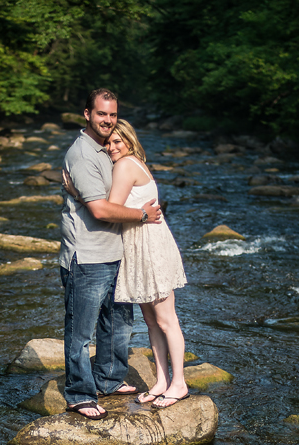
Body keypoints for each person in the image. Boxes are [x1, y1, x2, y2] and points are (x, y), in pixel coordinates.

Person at [65, 119, 189, 408]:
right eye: (109, 143)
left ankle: (179, 383)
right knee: (151, 321)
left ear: (131, 141)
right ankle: (161, 381)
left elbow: (106, 210)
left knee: (167, 320)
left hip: (148, 246)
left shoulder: (125, 165)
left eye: (118, 141)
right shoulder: (130, 163)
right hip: (137, 245)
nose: (111, 147)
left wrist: (75, 191)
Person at [59, 89, 162, 420]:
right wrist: (144, 216)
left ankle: (109, 378)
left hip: (116, 252)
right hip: (87, 256)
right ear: (87, 114)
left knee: (118, 323)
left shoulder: (109, 150)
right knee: (81, 332)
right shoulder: (83, 154)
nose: (107, 120)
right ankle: (79, 393)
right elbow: (102, 210)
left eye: (113, 115)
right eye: (101, 114)